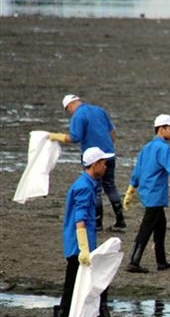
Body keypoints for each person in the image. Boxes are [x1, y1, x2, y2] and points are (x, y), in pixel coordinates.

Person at [53, 147, 128, 317]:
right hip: (79, 246)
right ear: (94, 164)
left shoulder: (87, 183)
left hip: (78, 244)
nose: (106, 166)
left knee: (88, 285)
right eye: (103, 163)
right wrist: (84, 249)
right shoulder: (85, 187)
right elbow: (80, 220)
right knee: (79, 286)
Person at [122, 114, 170, 273]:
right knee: (146, 228)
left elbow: (137, 170)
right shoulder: (163, 148)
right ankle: (134, 262)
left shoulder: (147, 147)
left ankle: (161, 261)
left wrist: (130, 190)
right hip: (155, 194)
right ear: (161, 129)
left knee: (160, 226)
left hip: (147, 192)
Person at [48, 94, 125, 232]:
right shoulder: (99, 110)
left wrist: (57, 136)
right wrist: (109, 146)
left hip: (92, 158)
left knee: (96, 189)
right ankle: (120, 220)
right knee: (111, 186)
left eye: (68, 109)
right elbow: (112, 132)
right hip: (109, 154)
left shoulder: (78, 116)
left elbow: (75, 137)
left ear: (70, 105)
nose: (70, 112)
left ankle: (97, 223)